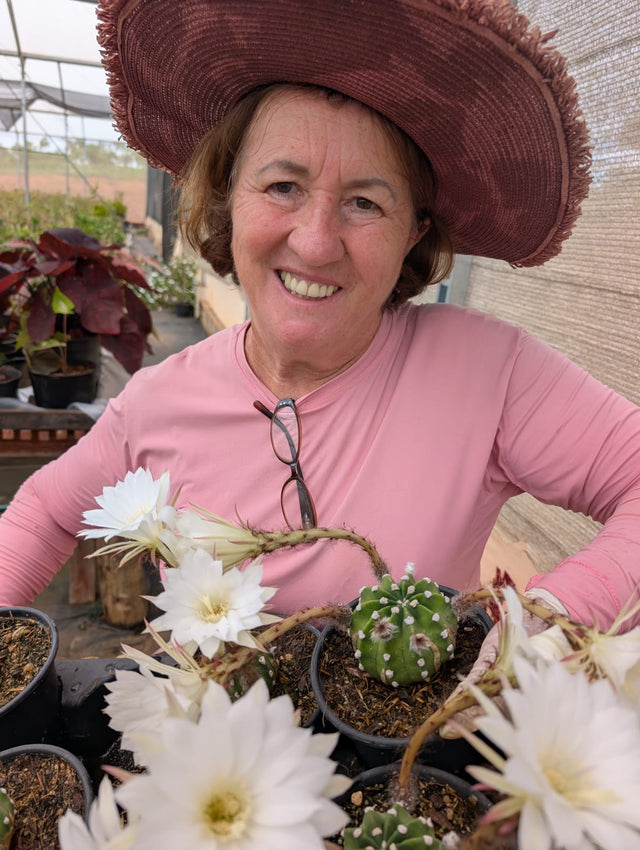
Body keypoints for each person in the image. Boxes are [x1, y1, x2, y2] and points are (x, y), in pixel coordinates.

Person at [1, 0, 639, 643]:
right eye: (283, 187)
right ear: (227, 196)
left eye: (365, 202)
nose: (314, 242)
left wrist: (534, 639)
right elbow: (42, 511)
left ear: (413, 234)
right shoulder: (157, 403)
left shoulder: (485, 372)